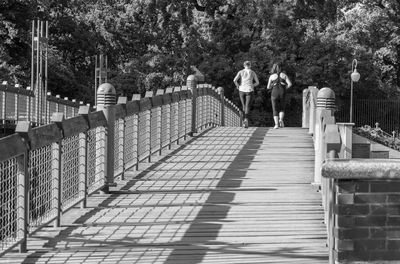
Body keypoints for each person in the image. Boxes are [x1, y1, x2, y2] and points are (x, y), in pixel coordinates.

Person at [233, 61, 259, 128]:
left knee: (243, 105)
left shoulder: (241, 72)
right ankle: (246, 119)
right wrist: (252, 85)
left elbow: (234, 80)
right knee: (247, 106)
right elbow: (257, 82)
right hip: (249, 90)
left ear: (244, 65)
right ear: (250, 65)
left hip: (241, 89)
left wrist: (237, 86)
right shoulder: (252, 72)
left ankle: (244, 120)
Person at [267, 63, 292, 129]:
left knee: (275, 109)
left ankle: (276, 124)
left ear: (273, 68)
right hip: (282, 92)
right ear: (280, 68)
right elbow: (289, 84)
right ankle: (281, 119)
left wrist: (273, 84)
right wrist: (284, 87)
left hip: (274, 93)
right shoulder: (284, 75)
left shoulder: (272, 76)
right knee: (282, 107)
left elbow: (268, 87)